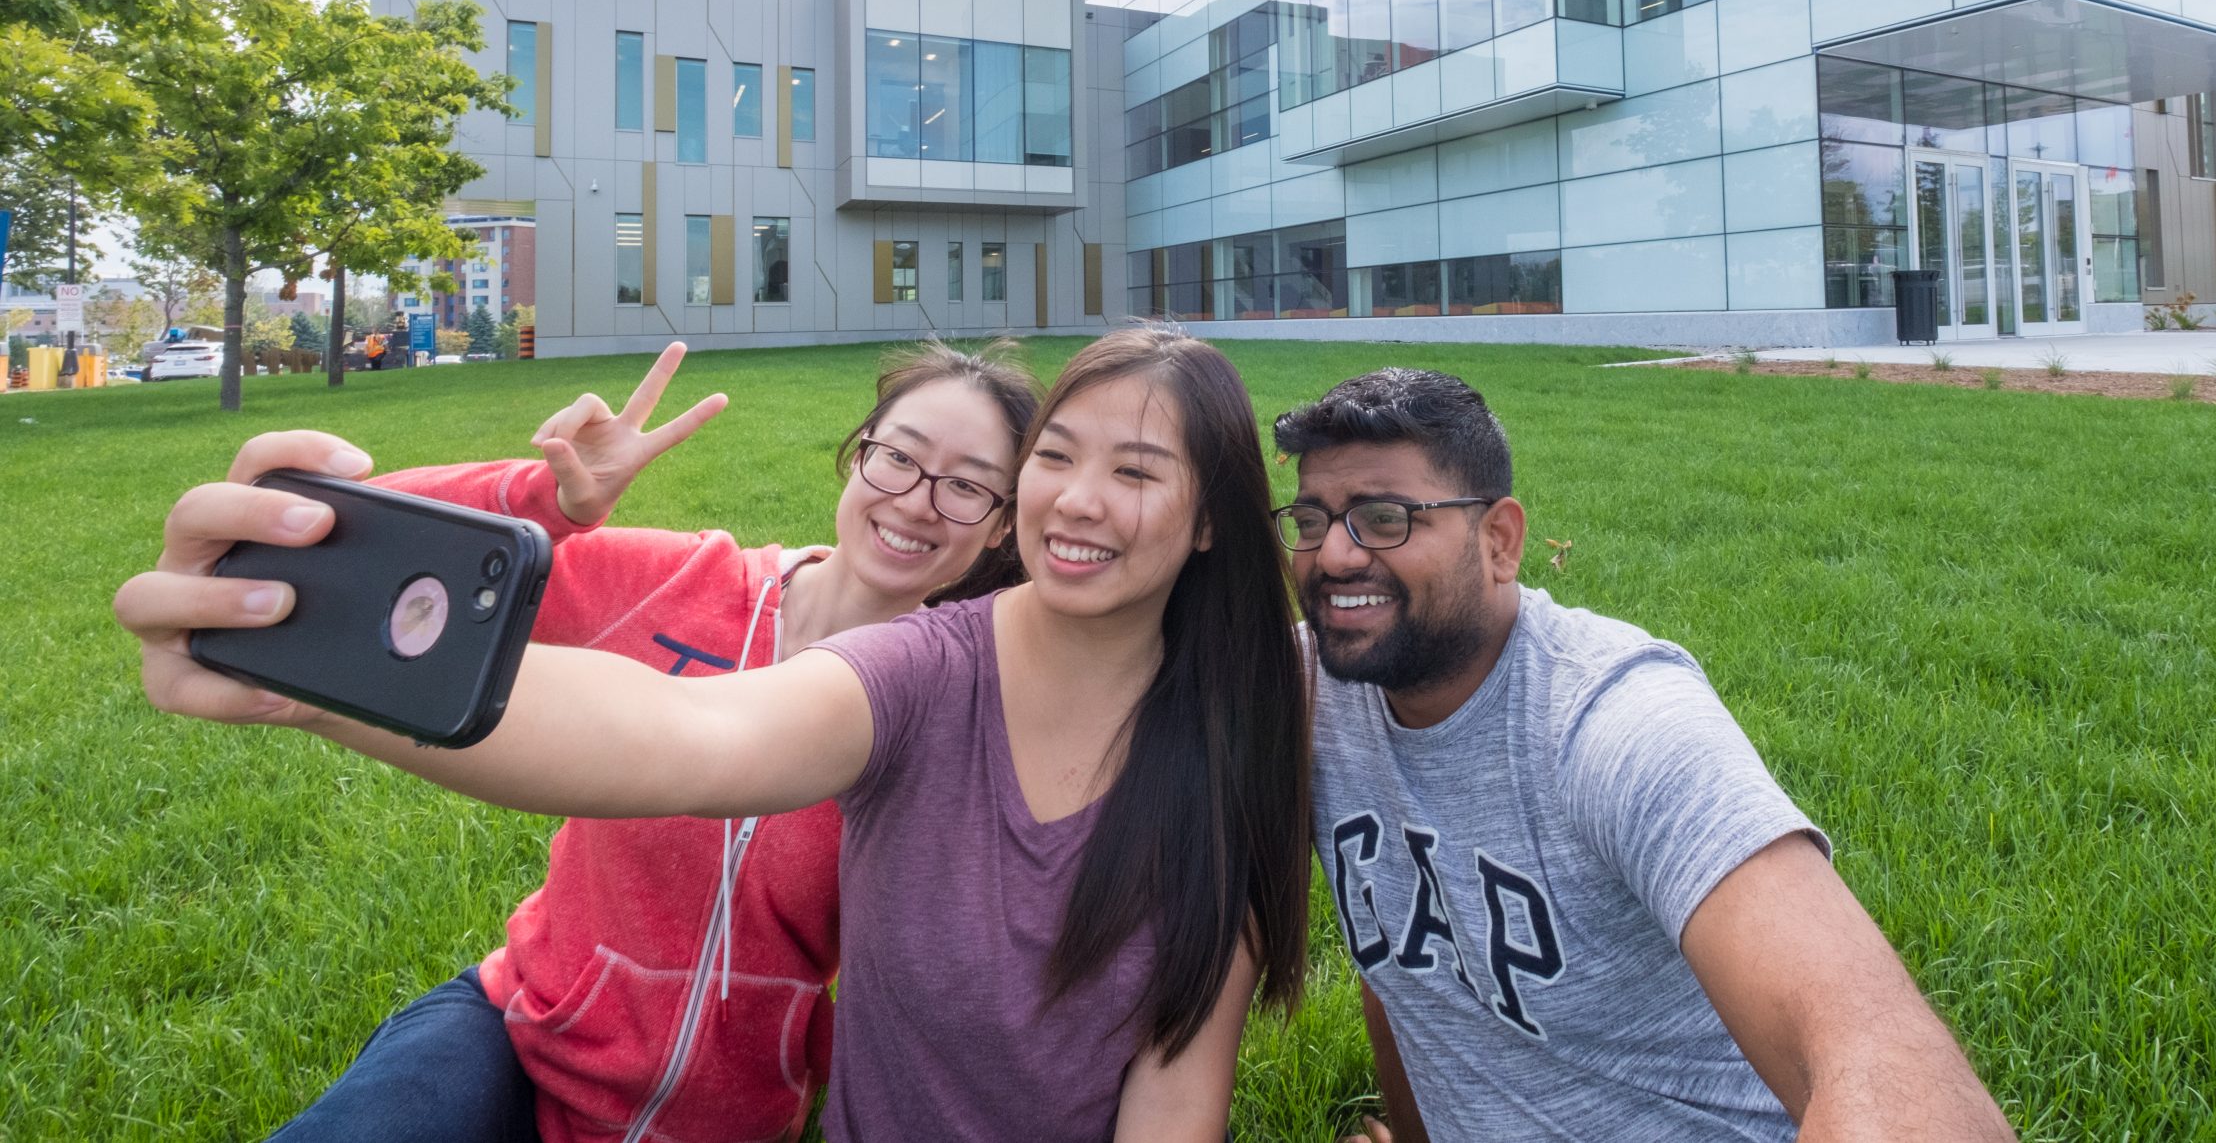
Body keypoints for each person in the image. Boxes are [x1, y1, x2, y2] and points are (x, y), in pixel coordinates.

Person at [121, 325, 1310, 1143]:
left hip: (727, 1100)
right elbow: (664, 730)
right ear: (857, 455)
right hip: (526, 1025)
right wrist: (323, 653)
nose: (915, 499)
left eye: (966, 485)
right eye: (899, 456)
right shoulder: (744, 607)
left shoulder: (1136, 712)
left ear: (996, 527)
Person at [1272, 368, 2013, 1143]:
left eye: (1384, 517)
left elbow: (1883, 1055)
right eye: (1313, 518)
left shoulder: (1616, 719)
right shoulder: (1316, 695)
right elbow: (1412, 982)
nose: (1334, 556)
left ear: (1499, 541)